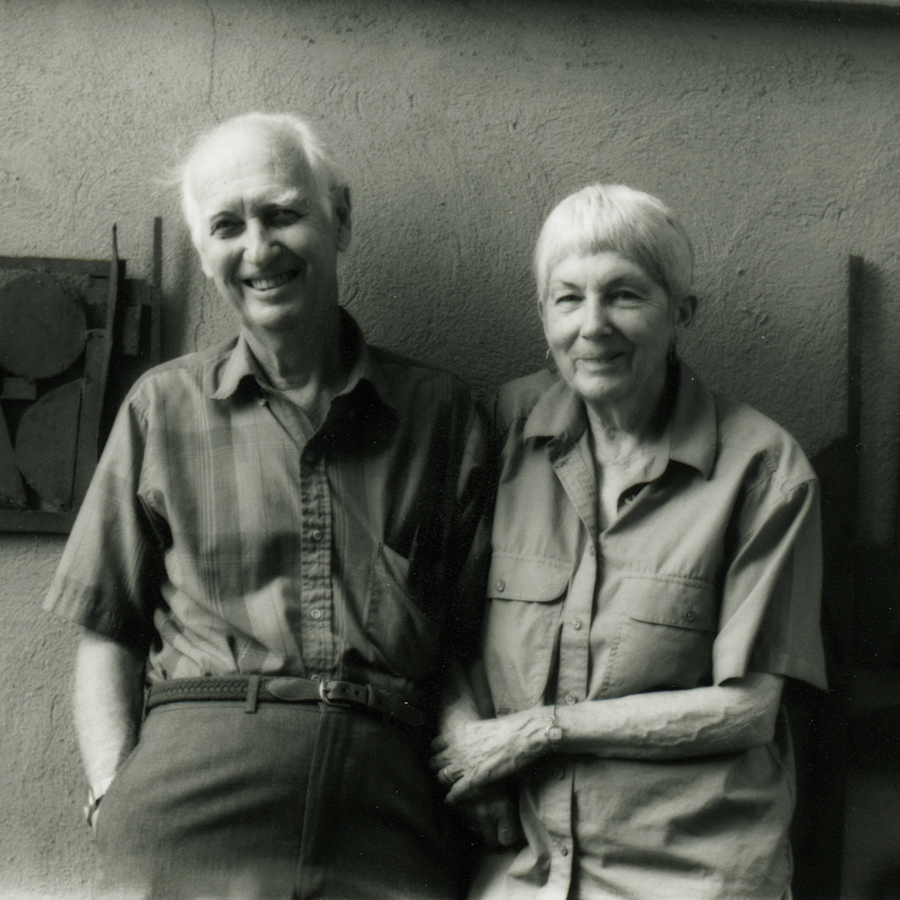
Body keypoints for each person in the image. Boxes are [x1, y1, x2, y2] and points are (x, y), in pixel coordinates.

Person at [44, 112, 490, 900]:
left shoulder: (444, 414)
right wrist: (115, 794)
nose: (258, 249)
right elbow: (106, 633)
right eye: (226, 226)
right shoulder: (162, 409)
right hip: (193, 795)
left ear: (338, 219)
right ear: (207, 255)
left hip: (389, 809)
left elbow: (474, 637)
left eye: (282, 213)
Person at [431, 184, 827, 900]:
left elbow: (746, 709)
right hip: (523, 870)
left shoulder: (763, 469)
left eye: (624, 296)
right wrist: (464, 747)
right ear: (542, 313)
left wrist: (537, 731)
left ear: (682, 313)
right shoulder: (503, 430)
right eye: (567, 298)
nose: (592, 326)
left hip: (693, 873)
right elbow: (443, 627)